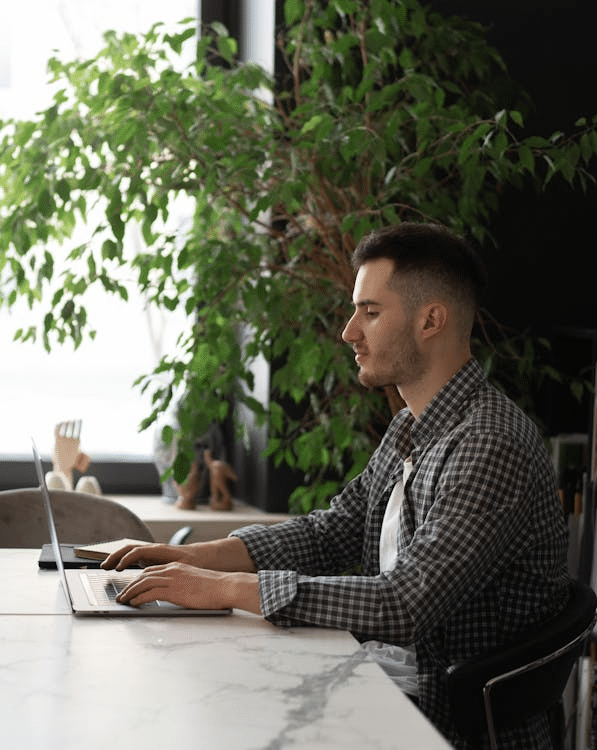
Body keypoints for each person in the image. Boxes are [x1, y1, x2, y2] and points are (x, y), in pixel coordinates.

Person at [103, 223, 568, 749]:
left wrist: (222, 589)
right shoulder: (411, 427)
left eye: (370, 312)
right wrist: (189, 558)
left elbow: (403, 603)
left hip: (444, 725)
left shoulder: (491, 444)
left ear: (430, 320)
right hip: (387, 687)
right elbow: (331, 533)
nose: (349, 332)